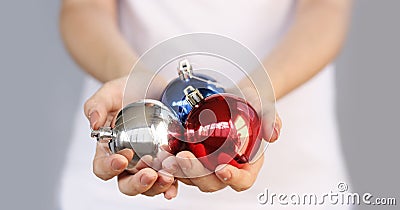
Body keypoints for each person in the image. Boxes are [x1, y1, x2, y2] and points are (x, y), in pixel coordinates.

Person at [59, 0, 352, 209]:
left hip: (294, 187)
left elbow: (326, 7)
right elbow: (83, 7)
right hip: (121, 179)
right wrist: (136, 79)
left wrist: (260, 88)